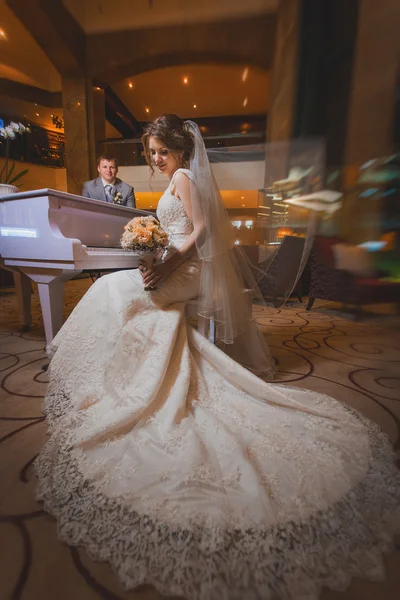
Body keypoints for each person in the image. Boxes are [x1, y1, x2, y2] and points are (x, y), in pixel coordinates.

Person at [36, 115, 400, 600]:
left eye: (161, 151)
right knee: (114, 292)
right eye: (151, 152)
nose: (156, 159)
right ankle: (114, 375)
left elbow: (202, 232)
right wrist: (153, 249)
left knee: (109, 291)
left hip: (185, 272)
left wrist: (166, 263)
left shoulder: (184, 178)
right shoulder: (178, 178)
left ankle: (106, 378)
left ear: (182, 151)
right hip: (175, 268)